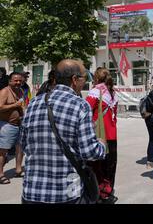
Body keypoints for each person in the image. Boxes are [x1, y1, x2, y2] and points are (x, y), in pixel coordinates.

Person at [20, 60, 106, 203]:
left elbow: (23, 144)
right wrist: (101, 145)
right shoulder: (80, 105)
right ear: (74, 79)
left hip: (32, 191)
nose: (85, 82)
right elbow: (89, 152)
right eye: (85, 78)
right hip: (65, 193)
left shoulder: (34, 103)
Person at [85, 68, 119, 203]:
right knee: (109, 166)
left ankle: (100, 193)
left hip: (98, 135)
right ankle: (108, 190)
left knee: (96, 166)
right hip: (112, 134)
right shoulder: (112, 92)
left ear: (96, 78)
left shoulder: (95, 92)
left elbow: (85, 111)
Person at [0, 72, 25, 185]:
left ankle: (18, 170)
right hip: (6, 125)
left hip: (19, 124)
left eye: (20, 80)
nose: (18, 82)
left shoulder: (20, 91)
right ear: (10, 81)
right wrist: (15, 105)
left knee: (20, 149)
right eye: (15, 80)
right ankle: (0, 174)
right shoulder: (5, 91)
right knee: (2, 152)